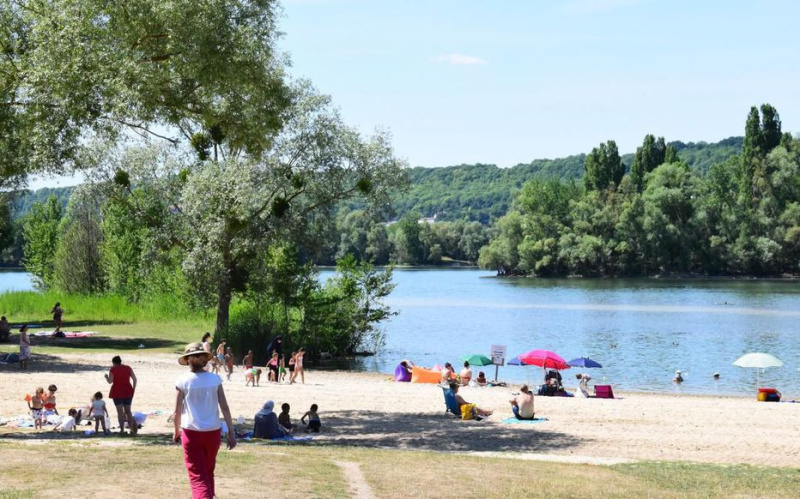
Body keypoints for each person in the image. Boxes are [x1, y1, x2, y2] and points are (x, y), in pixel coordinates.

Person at [173, 342, 236, 499]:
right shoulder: (215, 379)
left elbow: (177, 412)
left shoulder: (183, 380)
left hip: (191, 432)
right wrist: (231, 433)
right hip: (213, 432)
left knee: (197, 476)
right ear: (204, 360)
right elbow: (225, 408)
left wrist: (176, 431)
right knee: (208, 471)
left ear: (188, 360)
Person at [105, 356, 137, 435]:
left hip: (117, 391)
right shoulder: (128, 368)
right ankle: (131, 429)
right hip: (128, 390)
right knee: (128, 411)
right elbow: (135, 379)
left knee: (120, 412)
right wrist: (133, 388)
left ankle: (122, 430)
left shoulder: (113, 369)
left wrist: (106, 377)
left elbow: (110, 381)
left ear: (114, 362)